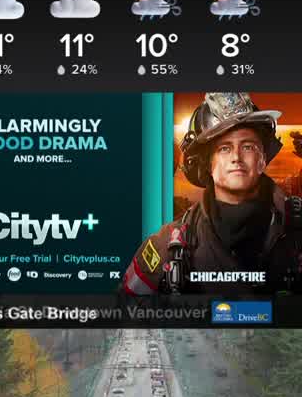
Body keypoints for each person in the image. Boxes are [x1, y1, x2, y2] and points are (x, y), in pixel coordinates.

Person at [120, 93, 302, 296]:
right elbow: (123, 318)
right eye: (224, 148)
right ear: (207, 164)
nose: (236, 157)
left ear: (263, 158)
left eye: (248, 146)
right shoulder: (167, 246)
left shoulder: (296, 229)